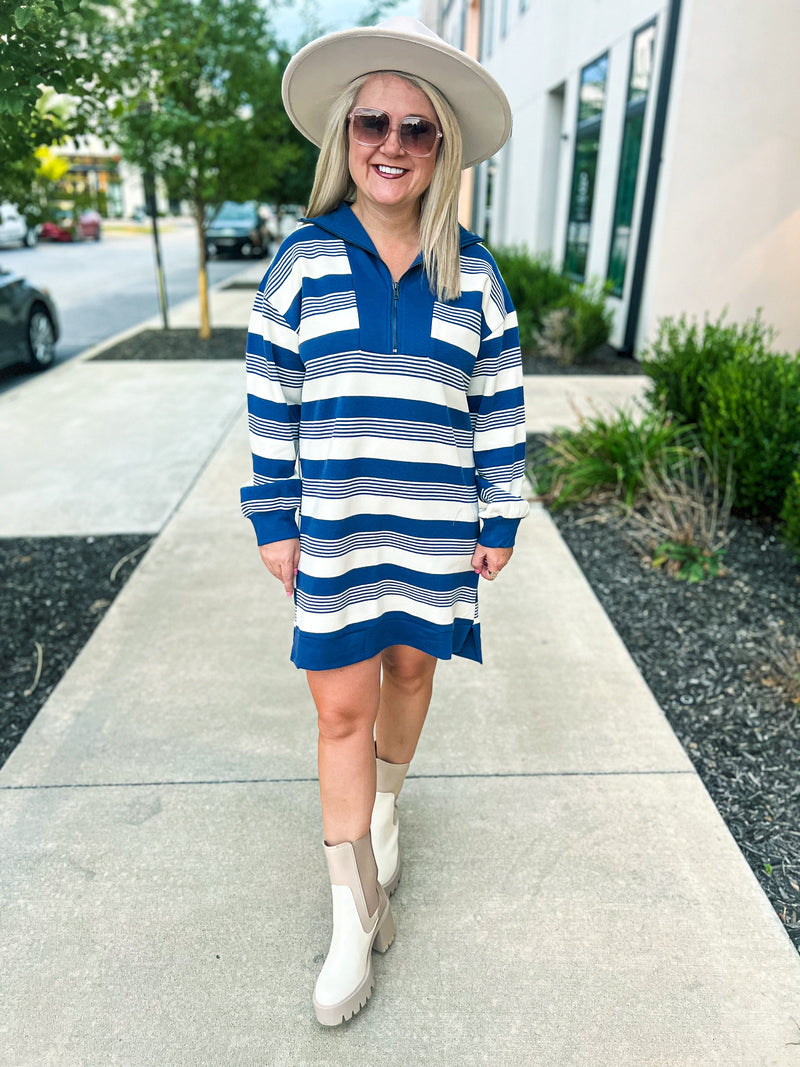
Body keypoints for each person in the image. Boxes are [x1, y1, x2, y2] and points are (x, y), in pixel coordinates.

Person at [240, 16, 529, 1026]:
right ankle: (350, 922)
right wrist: (272, 515)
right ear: (345, 138)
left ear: (440, 145)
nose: (392, 144)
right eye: (372, 121)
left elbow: (498, 404)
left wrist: (501, 511)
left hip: (436, 526)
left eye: (416, 127)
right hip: (338, 529)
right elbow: (269, 395)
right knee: (337, 712)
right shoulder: (303, 263)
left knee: (410, 674)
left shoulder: (476, 275)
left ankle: (389, 806)